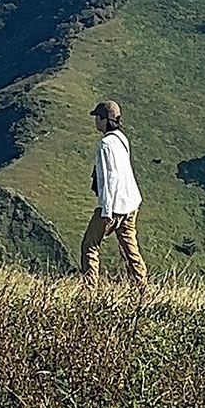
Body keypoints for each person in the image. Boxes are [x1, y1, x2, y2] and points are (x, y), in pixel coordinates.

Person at [80, 99, 149, 294]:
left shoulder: (104, 144)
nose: (96, 122)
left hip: (114, 206)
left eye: (97, 118)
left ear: (104, 120)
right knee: (130, 248)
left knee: (90, 245)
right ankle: (141, 287)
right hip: (131, 203)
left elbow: (108, 178)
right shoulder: (122, 138)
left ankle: (89, 291)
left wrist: (106, 210)